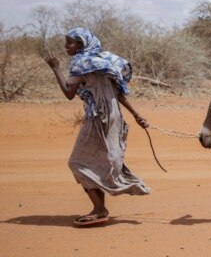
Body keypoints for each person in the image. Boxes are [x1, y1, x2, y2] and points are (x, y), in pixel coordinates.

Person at [44, 28, 151, 227]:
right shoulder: (105, 61)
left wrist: (56, 68)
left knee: (77, 162)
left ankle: (100, 209)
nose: (66, 46)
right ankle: (99, 209)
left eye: (70, 43)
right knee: (99, 160)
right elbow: (118, 93)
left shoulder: (79, 63)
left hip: (98, 118)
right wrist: (137, 115)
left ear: (82, 45)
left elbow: (69, 93)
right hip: (113, 116)